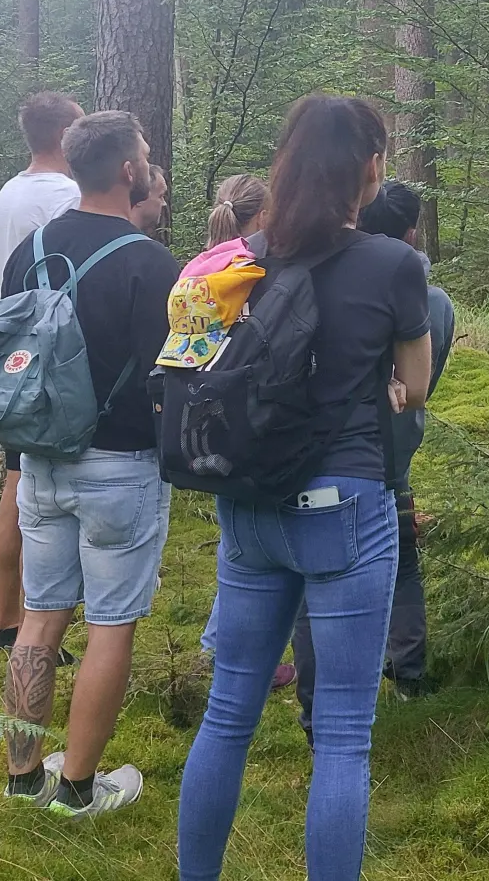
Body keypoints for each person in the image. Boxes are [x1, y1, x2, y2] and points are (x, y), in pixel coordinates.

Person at [177, 95, 432, 881]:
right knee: (345, 736)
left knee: (228, 714)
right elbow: (416, 386)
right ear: (370, 168)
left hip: (250, 505)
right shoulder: (394, 264)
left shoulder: (238, 260)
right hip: (345, 504)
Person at [0, 110, 178, 817]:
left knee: (40, 619)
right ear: (129, 170)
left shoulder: (33, 248)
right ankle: (77, 789)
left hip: (40, 461)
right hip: (120, 467)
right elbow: (169, 376)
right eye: (145, 154)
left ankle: (22, 778)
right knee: (110, 626)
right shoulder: (149, 263)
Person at [291, 179, 456, 722]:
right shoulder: (435, 303)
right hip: (393, 451)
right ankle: (408, 671)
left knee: (316, 575)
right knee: (402, 562)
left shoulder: (323, 281)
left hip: (324, 455)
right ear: (412, 233)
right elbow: (422, 384)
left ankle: (317, 703)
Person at [0, 91, 83, 665]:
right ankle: (34, 625)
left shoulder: (8, 194)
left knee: (16, 482)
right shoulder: (64, 195)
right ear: (66, 134)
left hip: (10, 349)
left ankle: (9, 619)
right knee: (35, 492)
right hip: (49, 349)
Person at [186, 174, 296, 692]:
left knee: (235, 541)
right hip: (250, 415)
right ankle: (237, 654)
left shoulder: (202, 265)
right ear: (264, 216)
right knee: (256, 552)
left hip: (204, 418)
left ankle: (218, 645)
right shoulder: (252, 268)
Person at [131, 165, 168, 235]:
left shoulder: (109, 233)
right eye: (160, 196)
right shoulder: (138, 242)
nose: (164, 203)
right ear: (140, 197)